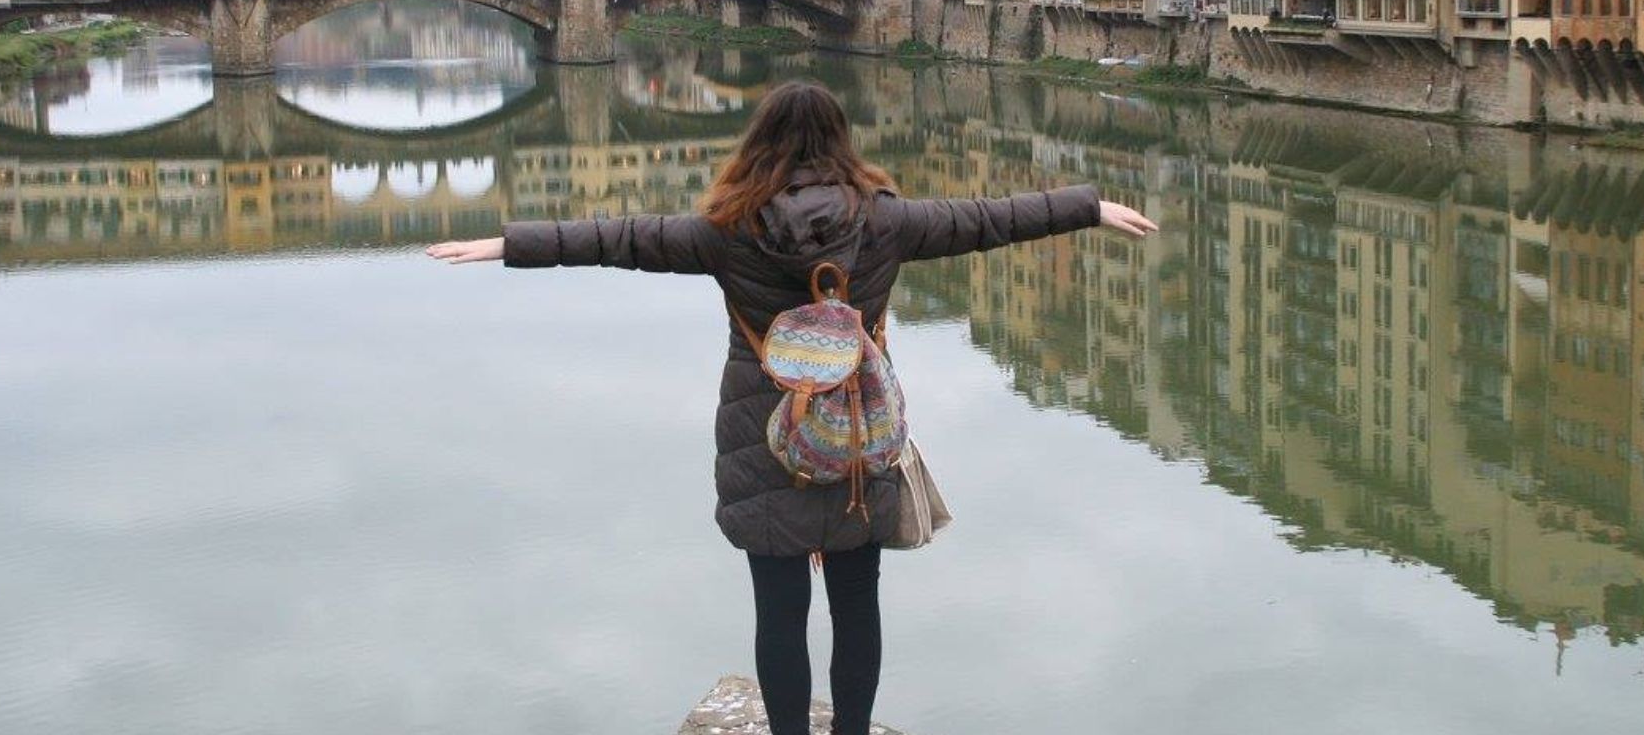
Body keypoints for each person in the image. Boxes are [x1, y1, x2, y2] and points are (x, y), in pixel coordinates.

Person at [426, 80, 1157, 735]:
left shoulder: (727, 229)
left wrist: (505, 244)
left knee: (778, 613)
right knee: (857, 605)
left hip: (762, 441)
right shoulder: (885, 223)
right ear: (841, 141)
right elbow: (990, 218)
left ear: (760, 143)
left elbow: (617, 237)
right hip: (857, 442)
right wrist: (1089, 207)